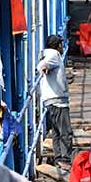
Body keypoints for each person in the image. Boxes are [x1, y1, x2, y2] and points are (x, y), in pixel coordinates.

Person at [38, 35, 72, 166]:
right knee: (65, 131)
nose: (62, 47)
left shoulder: (46, 53)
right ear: (57, 46)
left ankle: (59, 158)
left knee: (57, 131)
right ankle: (65, 159)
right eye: (61, 45)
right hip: (57, 99)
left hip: (50, 99)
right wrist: (44, 67)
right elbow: (42, 65)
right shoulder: (54, 55)